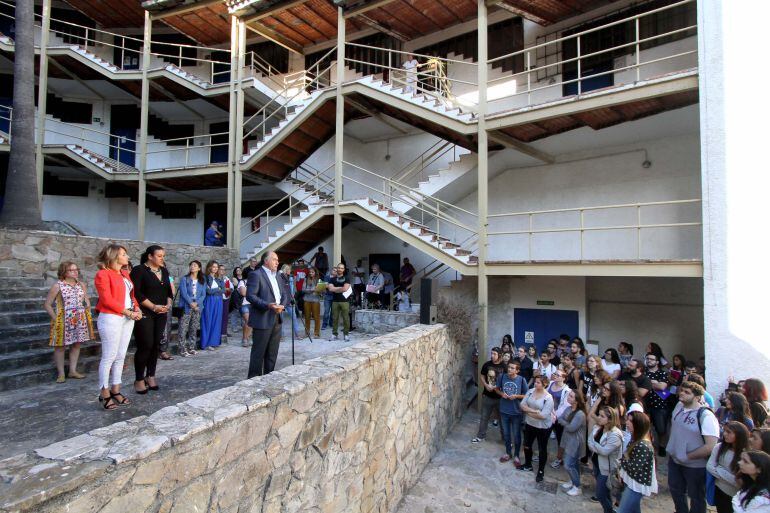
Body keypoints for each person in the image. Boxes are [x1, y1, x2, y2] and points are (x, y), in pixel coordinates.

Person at [94, 245, 141, 410]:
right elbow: (106, 299)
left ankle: (116, 389)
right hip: (111, 318)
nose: (126, 256)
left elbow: (131, 296)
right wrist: (128, 312)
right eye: (123, 254)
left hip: (127, 318)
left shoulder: (125, 273)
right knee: (109, 356)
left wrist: (137, 309)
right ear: (114, 256)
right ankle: (104, 392)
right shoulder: (103, 274)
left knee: (121, 355)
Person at [666, 381, 720, 513]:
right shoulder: (679, 406)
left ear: (697, 397)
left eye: (687, 392)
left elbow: (710, 446)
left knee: (696, 497)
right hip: (674, 460)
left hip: (695, 466)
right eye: (682, 390)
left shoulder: (706, 416)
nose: (682, 393)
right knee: (676, 491)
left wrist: (687, 456)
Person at [130, 245, 173, 394]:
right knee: (145, 345)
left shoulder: (164, 271)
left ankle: (151, 375)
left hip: (161, 313)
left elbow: (169, 291)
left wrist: (167, 304)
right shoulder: (139, 270)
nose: (162, 258)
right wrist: (154, 306)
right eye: (160, 256)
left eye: (163, 256)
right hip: (145, 313)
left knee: (156, 344)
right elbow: (137, 293)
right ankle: (139, 378)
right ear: (150, 256)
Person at [44, 261, 93, 383]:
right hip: (63, 319)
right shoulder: (58, 286)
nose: (76, 272)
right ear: (64, 272)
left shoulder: (81, 285)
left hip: (79, 319)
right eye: (72, 270)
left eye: (76, 269)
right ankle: (61, 373)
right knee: (60, 346)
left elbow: (86, 298)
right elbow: (47, 305)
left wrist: (87, 304)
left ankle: (72, 370)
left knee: (76, 344)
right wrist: (56, 319)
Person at [246, 251, 289, 378]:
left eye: (278, 260)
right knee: (258, 353)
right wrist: (268, 305)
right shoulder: (256, 274)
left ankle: (268, 378)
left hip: (277, 317)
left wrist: (282, 305)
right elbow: (250, 296)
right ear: (266, 261)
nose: (277, 262)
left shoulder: (278, 276)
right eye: (274, 259)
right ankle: (253, 380)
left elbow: (284, 295)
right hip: (262, 318)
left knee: (272, 353)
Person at [618, 411, 658, 513]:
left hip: (636, 485)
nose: (627, 423)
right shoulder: (635, 438)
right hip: (632, 481)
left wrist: (624, 460)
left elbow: (633, 468)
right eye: (627, 419)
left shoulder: (643, 445)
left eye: (631, 421)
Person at [707, 421, 750, 513]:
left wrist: (719, 469)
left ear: (739, 435)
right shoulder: (719, 447)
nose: (725, 434)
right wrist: (730, 477)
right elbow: (709, 466)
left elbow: (738, 482)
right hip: (720, 490)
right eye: (725, 431)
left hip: (736, 495)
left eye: (729, 432)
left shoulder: (746, 454)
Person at [589, 406, 624, 513]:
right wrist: (595, 445)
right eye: (599, 415)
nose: (598, 418)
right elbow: (589, 442)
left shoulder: (615, 434)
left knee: (600, 494)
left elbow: (605, 451)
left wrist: (594, 444)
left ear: (610, 419)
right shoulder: (598, 427)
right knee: (605, 492)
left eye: (602, 416)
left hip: (607, 468)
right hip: (597, 463)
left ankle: (609, 511)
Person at [520, 375, 554, 482]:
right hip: (530, 424)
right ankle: (528, 464)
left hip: (542, 427)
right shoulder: (530, 391)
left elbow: (543, 415)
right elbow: (522, 405)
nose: (536, 384)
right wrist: (534, 412)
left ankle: (540, 471)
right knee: (527, 445)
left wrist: (527, 412)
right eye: (535, 382)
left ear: (544, 384)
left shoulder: (548, 398)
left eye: (538, 382)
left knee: (542, 449)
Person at [496, 360, 528, 467]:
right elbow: (497, 389)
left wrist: (516, 396)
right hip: (504, 410)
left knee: (517, 435)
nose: (510, 369)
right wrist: (501, 394)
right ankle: (508, 453)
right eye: (509, 367)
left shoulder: (521, 380)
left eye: (512, 368)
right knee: (506, 434)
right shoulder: (502, 377)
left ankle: (517, 455)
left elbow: (526, 395)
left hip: (516, 412)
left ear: (517, 370)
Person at [472, 347, 506, 444]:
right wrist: (486, 385)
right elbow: (482, 375)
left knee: (502, 419)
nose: (492, 356)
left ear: (499, 355)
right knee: (484, 417)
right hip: (487, 396)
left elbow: (507, 379)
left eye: (494, 354)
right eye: (491, 353)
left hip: (500, 397)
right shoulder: (487, 365)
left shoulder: (504, 366)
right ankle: (480, 436)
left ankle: (505, 439)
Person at [558, 389, 587, 496]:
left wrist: (563, 422)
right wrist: (564, 422)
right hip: (568, 440)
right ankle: (572, 481)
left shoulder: (580, 414)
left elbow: (571, 428)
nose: (568, 397)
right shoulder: (568, 408)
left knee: (568, 464)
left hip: (575, 443)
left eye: (571, 396)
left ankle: (577, 486)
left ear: (576, 400)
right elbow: (560, 418)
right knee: (573, 464)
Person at [177, 260, 206, 357]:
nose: (192, 267)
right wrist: (191, 303)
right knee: (183, 328)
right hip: (186, 307)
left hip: (197, 307)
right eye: (191, 265)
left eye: (195, 265)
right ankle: (182, 349)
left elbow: (203, 294)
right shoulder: (185, 279)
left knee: (193, 328)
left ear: (199, 268)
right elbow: (184, 293)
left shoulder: (202, 280)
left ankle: (191, 347)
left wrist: (196, 303)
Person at [644, 351, 671, 456]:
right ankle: (647, 447)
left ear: (657, 362)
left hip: (660, 405)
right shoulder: (643, 372)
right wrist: (654, 382)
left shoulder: (662, 373)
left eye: (651, 359)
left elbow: (662, 387)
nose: (649, 361)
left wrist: (647, 382)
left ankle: (662, 447)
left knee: (661, 428)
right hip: (645, 404)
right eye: (648, 359)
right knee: (645, 427)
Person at [548, 369, 571, 469]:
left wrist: (554, 416)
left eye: (558, 375)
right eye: (555, 374)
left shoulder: (567, 390)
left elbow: (564, 406)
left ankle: (559, 458)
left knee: (560, 438)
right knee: (543, 435)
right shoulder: (550, 384)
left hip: (558, 418)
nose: (555, 376)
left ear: (563, 378)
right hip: (546, 415)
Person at [200, 260, 224, 351]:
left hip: (219, 301)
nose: (215, 269)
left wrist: (216, 289)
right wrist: (218, 289)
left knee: (216, 321)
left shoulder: (219, 279)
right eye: (214, 267)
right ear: (209, 267)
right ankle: (205, 343)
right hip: (209, 301)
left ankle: (213, 342)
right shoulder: (205, 277)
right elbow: (208, 291)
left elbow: (223, 290)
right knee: (207, 320)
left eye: (217, 267)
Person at [327, 262, 351, 341]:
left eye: (341, 268)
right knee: (335, 318)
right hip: (335, 301)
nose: (340, 269)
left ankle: (346, 334)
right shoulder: (332, 279)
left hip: (344, 301)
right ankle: (334, 334)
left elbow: (345, 289)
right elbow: (330, 289)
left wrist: (335, 289)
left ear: (343, 270)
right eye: (339, 268)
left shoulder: (347, 278)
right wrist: (340, 288)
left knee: (345, 318)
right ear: (336, 269)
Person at [280, 264, 303, 339]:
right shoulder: (280, 277)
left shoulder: (290, 278)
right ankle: (281, 335)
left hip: (290, 300)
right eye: (288, 269)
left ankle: (297, 334)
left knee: (294, 317)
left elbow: (292, 289)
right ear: (285, 270)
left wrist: (293, 296)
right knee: (281, 319)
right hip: (282, 301)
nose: (290, 271)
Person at [157, 266, 175, 361]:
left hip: (166, 304)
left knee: (166, 328)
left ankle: (163, 350)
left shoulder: (168, 277)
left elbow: (172, 290)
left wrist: (168, 303)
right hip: (154, 305)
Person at [302, 267, 321, 338]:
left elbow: (322, 290)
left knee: (316, 317)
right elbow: (303, 289)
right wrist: (313, 289)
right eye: (310, 272)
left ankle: (316, 333)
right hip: (307, 300)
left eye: (312, 272)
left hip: (316, 300)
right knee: (307, 317)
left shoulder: (319, 280)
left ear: (315, 272)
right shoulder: (306, 279)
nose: (311, 273)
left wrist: (320, 290)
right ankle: (307, 333)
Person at [235, 267, 251, 347]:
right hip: (244, 304)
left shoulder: (254, 282)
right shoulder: (242, 282)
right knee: (248, 321)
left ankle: (247, 338)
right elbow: (243, 293)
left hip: (253, 304)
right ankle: (244, 339)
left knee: (252, 322)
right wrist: (253, 293)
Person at [218, 266, 233, 344]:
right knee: (218, 315)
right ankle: (218, 332)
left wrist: (228, 289)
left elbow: (231, 287)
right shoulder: (216, 279)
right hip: (218, 299)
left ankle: (224, 332)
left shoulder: (226, 278)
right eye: (221, 269)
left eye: (224, 269)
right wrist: (224, 289)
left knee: (225, 316)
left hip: (226, 298)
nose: (222, 271)